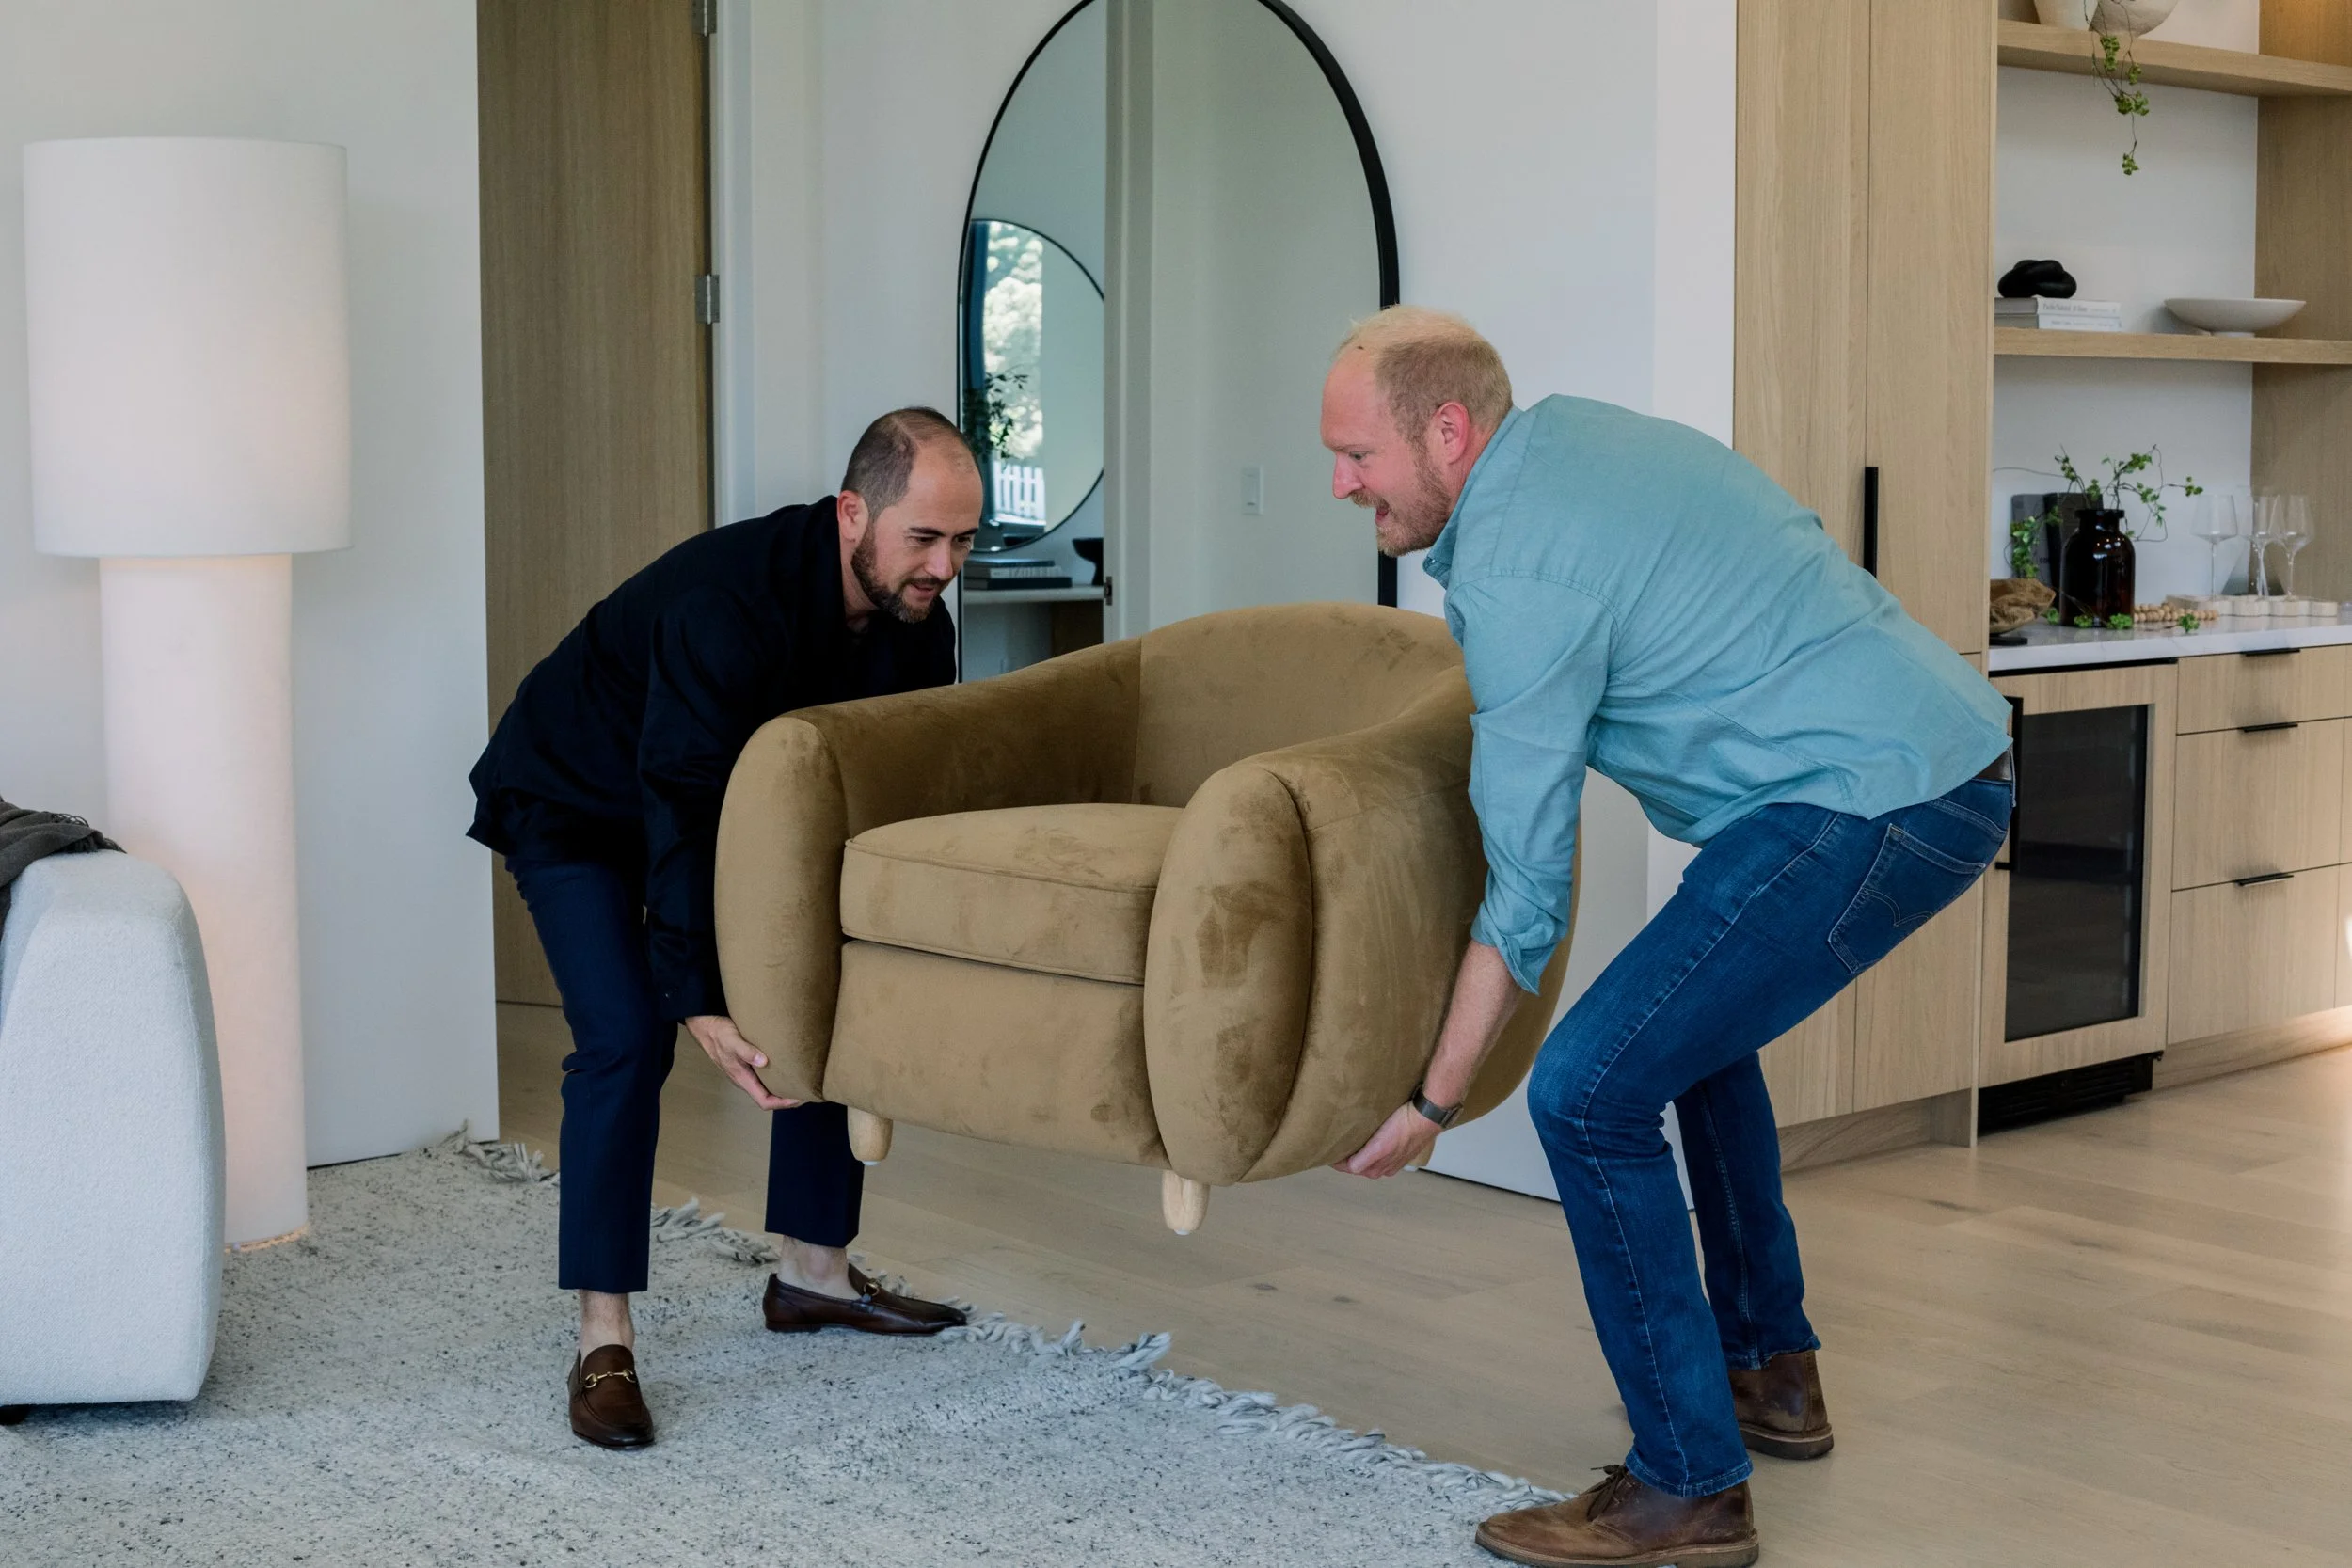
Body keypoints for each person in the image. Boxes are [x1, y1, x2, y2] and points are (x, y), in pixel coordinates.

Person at [1320, 309, 2012, 1568]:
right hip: (1933, 763)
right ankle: (1770, 1371)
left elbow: (1525, 884)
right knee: (1681, 1045)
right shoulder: (1573, 440)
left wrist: (1433, 1095)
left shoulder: (1520, 574)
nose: (1341, 480)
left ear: (1450, 430)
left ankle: (1688, 1483)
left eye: (1358, 452)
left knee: (1587, 1089)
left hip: (1868, 798)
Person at [468, 407, 982, 1449]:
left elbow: (888, 783)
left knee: (832, 978)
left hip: (714, 818)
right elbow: (681, 794)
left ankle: (812, 1273)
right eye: (923, 537)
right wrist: (696, 988)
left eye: (964, 541)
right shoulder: (726, 601)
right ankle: (601, 1335)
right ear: (852, 513)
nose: (945, 566)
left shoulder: (919, 624)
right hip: (575, 802)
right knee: (623, 1037)